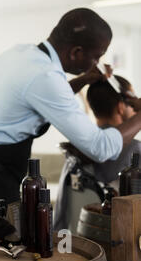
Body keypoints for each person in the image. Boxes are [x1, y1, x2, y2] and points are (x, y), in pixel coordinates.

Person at [0, 8, 141, 220]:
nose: (96, 63)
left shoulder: (21, 54)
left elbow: (43, 95)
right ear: (76, 52)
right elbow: (101, 148)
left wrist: (82, 80)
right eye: (96, 56)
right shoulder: (44, 76)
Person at [53, 75, 140, 231]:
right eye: (133, 105)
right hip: (118, 241)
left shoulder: (75, 149)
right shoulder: (135, 152)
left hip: (74, 241)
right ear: (121, 107)